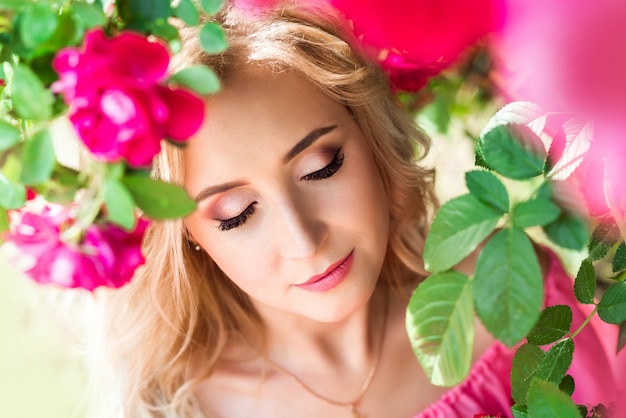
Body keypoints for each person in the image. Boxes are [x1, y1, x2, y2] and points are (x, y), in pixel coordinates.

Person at [88, 1, 625, 417]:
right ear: (187, 237)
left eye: (321, 167)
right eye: (236, 213)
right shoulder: (176, 407)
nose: (304, 240)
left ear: (372, 138)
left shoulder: (502, 296)